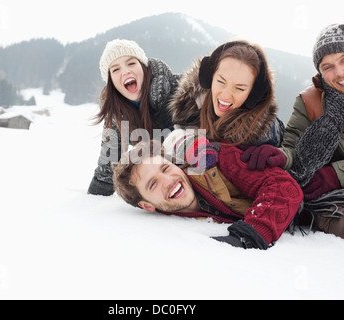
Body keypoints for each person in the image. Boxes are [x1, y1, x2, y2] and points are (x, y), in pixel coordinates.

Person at [242, 14, 344, 250]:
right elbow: (294, 147)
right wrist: (282, 156)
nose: (339, 72)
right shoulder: (309, 102)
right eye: (328, 66)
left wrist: (338, 174)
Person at [112, 130, 303, 250]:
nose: (168, 180)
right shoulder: (168, 228)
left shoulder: (218, 160)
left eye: (166, 168)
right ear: (146, 205)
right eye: (152, 184)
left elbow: (284, 187)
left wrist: (250, 234)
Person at [88, 39, 180, 196]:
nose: (125, 72)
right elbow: (107, 170)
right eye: (115, 70)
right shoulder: (117, 114)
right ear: (111, 82)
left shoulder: (179, 89)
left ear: (143, 67)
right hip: (164, 185)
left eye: (131, 63)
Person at [168, 40, 284, 147]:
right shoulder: (190, 107)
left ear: (254, 94)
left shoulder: (263, 138)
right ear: (209, 77)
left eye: (239, 89)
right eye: (221, 82)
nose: (226, 96)